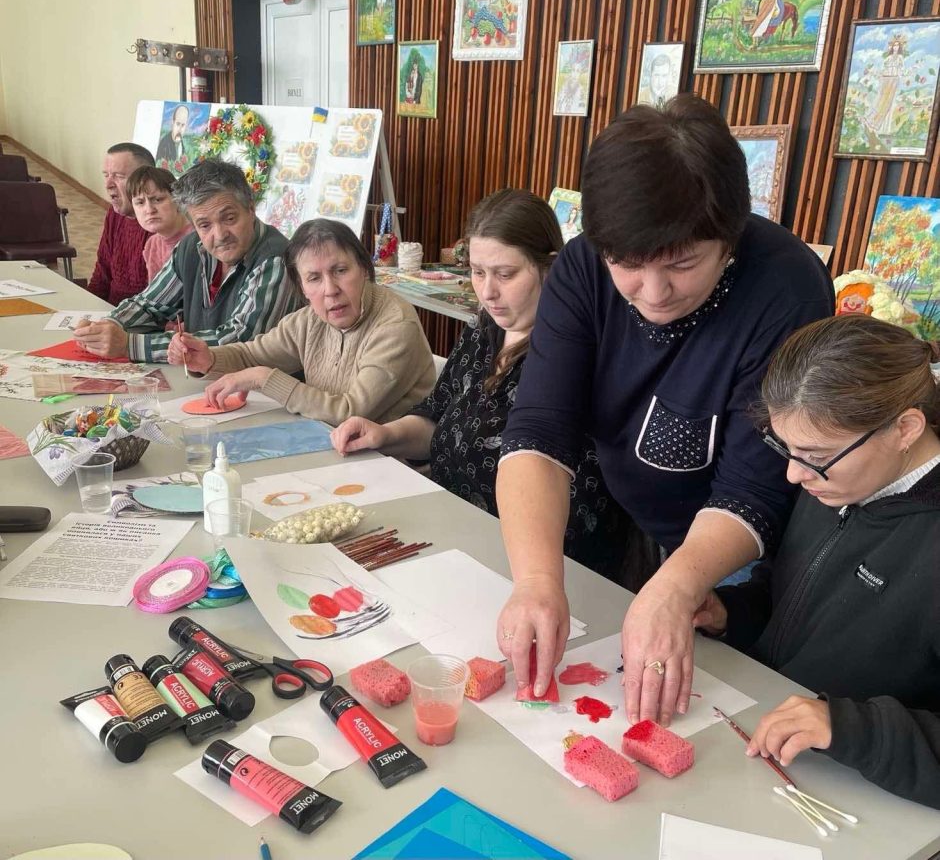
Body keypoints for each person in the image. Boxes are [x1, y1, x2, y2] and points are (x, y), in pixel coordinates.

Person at [495, 94, 834, 727]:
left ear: (729, 240)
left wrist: (675, 588)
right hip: (645, 519)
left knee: (726, 718)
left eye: (682, 264)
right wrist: (537, 580)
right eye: (627, 265)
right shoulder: (583, 266)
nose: (653, 293)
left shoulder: (786, 288)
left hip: (748, 552)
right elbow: (540, 431)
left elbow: (753, 489)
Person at [332, 190, 657, 586]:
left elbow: (577, 509)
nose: (487, 292)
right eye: (478, 272)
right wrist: (385, 434)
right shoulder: (484, 328)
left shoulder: (576, 356)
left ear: (551, 268)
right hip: (455, 543)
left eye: (505, 274)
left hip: (542, 572)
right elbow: (438, 419)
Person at [693, 315, 940, 809]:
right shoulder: (837, 483)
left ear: (905, 428)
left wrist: (848, 728)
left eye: (815, 454)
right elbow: (795, 598)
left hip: (867, 796)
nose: (793, 474)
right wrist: (730, 613)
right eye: (784, 446)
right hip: (771, 744)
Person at [175, 218, 436, 425]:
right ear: (301, 287)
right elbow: (252, 355)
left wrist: (264, 379)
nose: (330, 290)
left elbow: (350, 412)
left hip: (390, 464)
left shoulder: (395, 326)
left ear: (364, 269)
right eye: (314, 278)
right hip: (331, 448)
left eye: (340, 271)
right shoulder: (310, 320)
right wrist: (209, 358)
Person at [73, 160, 299, 363]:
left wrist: (129, 345)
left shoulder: (276, 259)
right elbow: (149, 304)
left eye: (229, 218)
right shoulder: (192, 247)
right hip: (203, 380)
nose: (220, 235)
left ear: (250, 208)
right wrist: (108, 327)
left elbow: (239, 340)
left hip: (259, 389)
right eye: (204, 225)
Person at [87, 142, 155, 306]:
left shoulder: (160, 225)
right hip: (109, 311)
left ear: (144, 181)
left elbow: (155, 300)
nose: (108, 184)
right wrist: (86, 307)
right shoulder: (114, 214)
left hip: (137, 316)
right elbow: (102, 272)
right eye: (106, 175)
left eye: (118, 176)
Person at [126, 165, 193, 281]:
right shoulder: (152, 245)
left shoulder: (198, 239)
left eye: (158, 199)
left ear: (177, 200)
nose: (149, 210)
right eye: (140, 202)